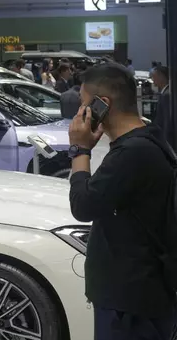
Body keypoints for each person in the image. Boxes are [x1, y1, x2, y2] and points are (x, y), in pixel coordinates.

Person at [68, 63, 177, 340]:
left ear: (102, 104)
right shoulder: (150, 137)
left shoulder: (132, 153)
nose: (80, 113)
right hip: (140, 291)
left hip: (130, 301)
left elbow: (83, 205)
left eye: (84, 105)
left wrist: (79, 149)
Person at [153, 66, 173, 146]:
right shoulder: (165, 93)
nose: (152, 79)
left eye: (154, 77)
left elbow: (167, 121)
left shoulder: (166, 95)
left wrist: (166, 142)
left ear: (161, 76)